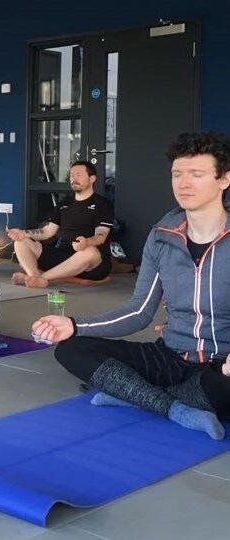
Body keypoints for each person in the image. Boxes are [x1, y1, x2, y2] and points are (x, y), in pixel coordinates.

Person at [32, 132, 230, 440]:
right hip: (170, 356)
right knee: (72, 349)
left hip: (222, 365)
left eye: (196, 174)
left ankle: (133, 394)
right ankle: (176, 408)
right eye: (177, 174)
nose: (184, 183)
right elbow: (138, 311)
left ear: (224, 180)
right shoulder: (162, 236)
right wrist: (73, 325)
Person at [8, 161, 114, 288]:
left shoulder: (102, 204)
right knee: (21, 241)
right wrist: (23, 233)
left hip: (90, 263)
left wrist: (87, 242)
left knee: (90, 252)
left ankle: (40, 278)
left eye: (78, 175)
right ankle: (35, 276)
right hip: (61, 256)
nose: (73, 178)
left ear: (92, 179)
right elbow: (48, 231)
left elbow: (101, 236)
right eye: (71, 175)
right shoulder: (65, 202)